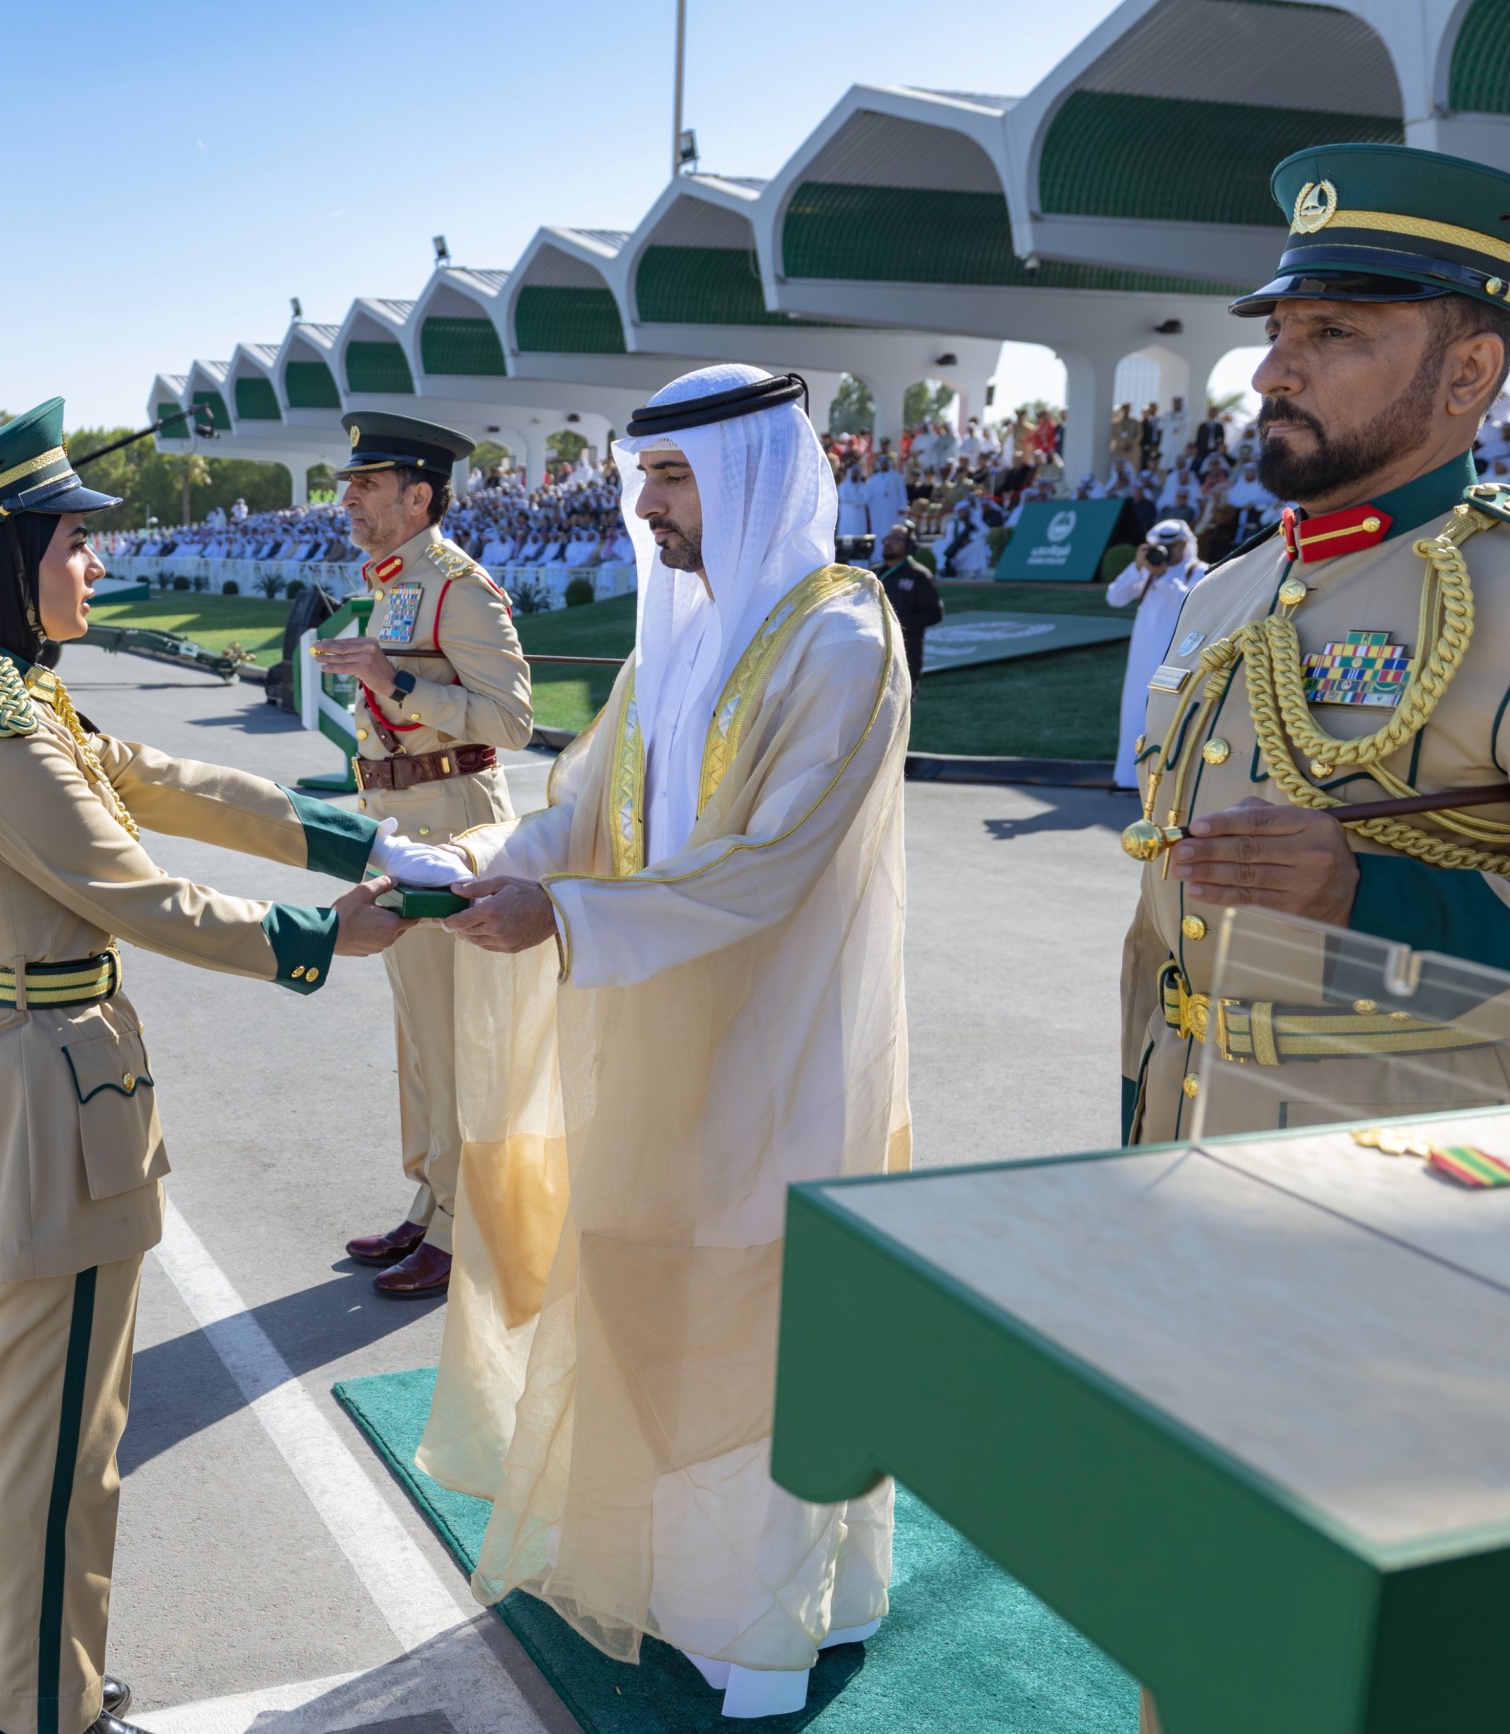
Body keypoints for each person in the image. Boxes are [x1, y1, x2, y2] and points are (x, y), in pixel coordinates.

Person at [0, 400, 430, 1734]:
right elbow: (138, 891)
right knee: (64, 1442)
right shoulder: (0, 732)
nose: (95, 566)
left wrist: (353, 843)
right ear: (2, 558)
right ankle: (47, 1712)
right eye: (73, 544)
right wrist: (323, 937)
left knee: (2, 1421)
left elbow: (155, 776)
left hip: (15, 1083)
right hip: (54, 1107)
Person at [414, 364, 911, 1719]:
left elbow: (770, 867)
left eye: (674, 476)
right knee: (655, 1299)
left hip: (785, 1057)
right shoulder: (674, 637)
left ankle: (763, 1629)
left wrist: (561, 922)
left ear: (755, 472)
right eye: (644, 475)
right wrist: (460, 863)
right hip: (651, 1048)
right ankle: (669, 1589)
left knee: (761, 1327)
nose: (646, 505)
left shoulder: (839, 643)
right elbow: (576, 810)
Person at [1119, 142, 1510, 1143]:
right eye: (1275, 331)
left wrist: (1377, 900)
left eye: (1332, 331)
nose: (1270, 370)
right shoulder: (1227, 592)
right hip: (1182, 1146)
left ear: (1466, 372)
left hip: (1409, 1187)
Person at [312, 411, 533, 1299]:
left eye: (366, 483)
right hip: (406, 814)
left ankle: (462, 1221)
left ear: (418, 495)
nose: (348, 496)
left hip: (453, 818)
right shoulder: (393, 580)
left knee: (455, 1035)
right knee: (420, 1035)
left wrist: (395, 680)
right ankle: (431, 1198)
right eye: (350, 483)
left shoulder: (461, 587)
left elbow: (512, 720)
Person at [1104, 518, 1205, 788]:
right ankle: (1128, 780)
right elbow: (1114, 598)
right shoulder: (1146, 572)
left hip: (1178, 662)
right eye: (1160, 547)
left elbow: (1191, 602)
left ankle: (1168, 784)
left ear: (1185, 544)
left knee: (1170, 721)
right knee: (1134, 717)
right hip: (1141, 662)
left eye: (1171, 546)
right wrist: (1136, 567)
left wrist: (1163, 578)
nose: (1165, 552)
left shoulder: (1199, 571)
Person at [875, 519, 944, 684]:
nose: (888, 543)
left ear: (910, 546)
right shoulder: (873, 574)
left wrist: (900, 623)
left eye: (896, 538)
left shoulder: (919, 575)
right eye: (887, 539)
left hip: (906, 652)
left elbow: (935, 613)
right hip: (875, 650)